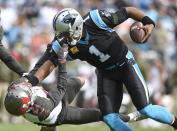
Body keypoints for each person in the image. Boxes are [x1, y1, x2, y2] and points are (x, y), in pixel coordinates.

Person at [23, 8, 177, 131]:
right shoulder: (65, 43)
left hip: (125, 64)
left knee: (145, 109)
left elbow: (128, 11)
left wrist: (147, 21)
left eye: (66, 34)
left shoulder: (96, 20)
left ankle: (175, 123)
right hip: (105, 73)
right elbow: (48, 65)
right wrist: (31, 82)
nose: (64, 38)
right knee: (110, 118)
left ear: (76, 26)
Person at [4, 45, 131, 131]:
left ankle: (48, 126)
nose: (26, 87)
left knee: (80, 80)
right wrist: (62, 61)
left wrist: (50, 49)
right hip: (60, 114)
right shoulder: (43, 106)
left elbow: (29, 72)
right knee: (102, 115)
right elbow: (61, 87)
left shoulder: (15, 95)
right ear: (30, 101)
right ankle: (131, 117)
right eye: (27, 91)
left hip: (50, 104)